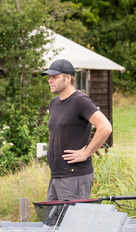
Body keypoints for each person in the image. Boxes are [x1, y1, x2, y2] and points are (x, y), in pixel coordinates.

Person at [42, 59, 112, 201]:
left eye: (55, 77)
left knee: (72, 221)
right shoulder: (54, 103)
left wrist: (86, 152)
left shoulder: (80, 101)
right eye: (49, 77)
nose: (50, 80)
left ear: (68, 78)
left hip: (75, 175)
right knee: (53, 222)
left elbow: (105, 127)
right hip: (57, 175)